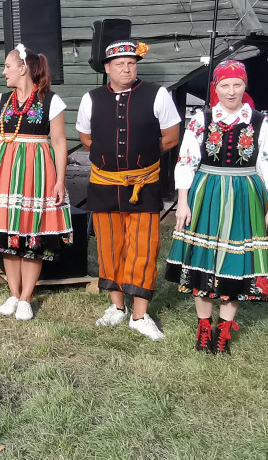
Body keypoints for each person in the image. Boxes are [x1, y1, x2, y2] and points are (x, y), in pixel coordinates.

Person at [165, 60, 268, 354]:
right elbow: (186, 162)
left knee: (235, 262)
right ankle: (203, 327)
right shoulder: (201, 120)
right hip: (207, 193)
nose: (231, 92)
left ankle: (224, 329)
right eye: (224, 85)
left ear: (245, 86)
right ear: (215, 88)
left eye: (237, 85)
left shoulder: (261, 122)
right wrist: (182, 204)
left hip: (245, 195)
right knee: (203, 261)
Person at [76, 39, 180, 341]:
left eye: (131, 63)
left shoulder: (156, 94)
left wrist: (141, 160)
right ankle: (117, 308)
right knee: (110, 247)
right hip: (105, 184)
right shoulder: (92, 98)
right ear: (107, 68)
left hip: (143, 185)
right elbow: (85, 138)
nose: (126, 68)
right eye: (119, 64)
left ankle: (140, 314)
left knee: (144, 248)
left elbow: (171, 137)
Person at [0, 44, 73, 321]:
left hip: (36, 173)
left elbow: (60, 142)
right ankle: (14, 293)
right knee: (7, 233)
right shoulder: (1, 101)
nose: (4, 72)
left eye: (8, 67)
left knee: (31, 233)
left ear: (23, 68)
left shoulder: (51, 101)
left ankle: (27, 297)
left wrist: (60, 180)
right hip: (2, 172)